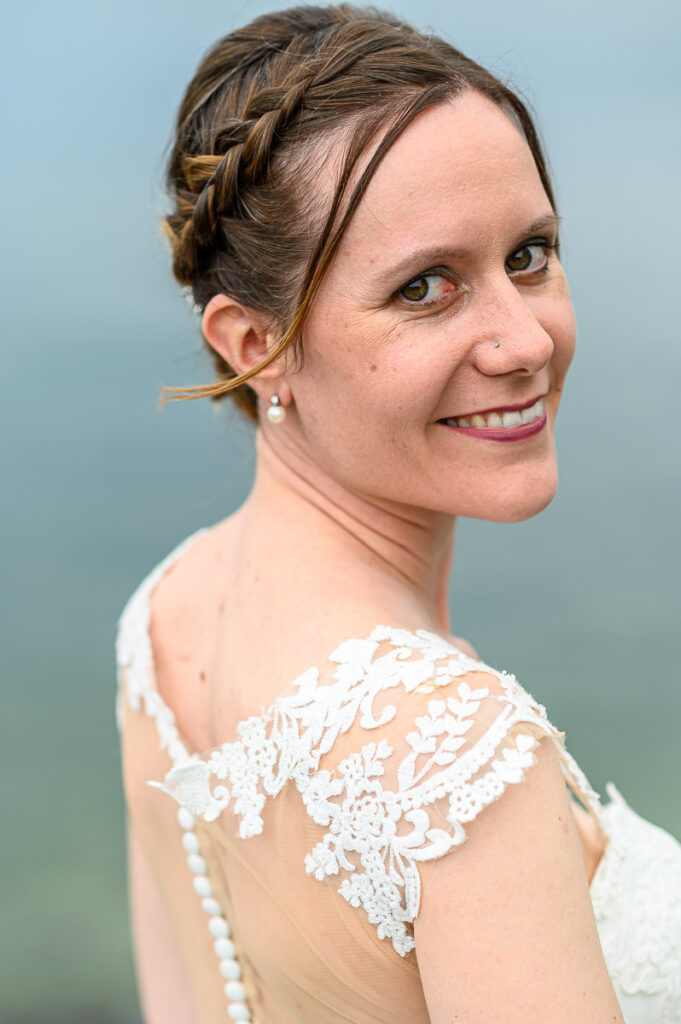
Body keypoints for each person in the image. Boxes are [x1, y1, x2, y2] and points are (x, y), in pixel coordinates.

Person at [115, 5, 681, 1022]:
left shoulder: (162, 621)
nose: (523, 341)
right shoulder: (457, 760)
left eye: (530, 254)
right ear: (255, 344)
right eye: (426, 286)